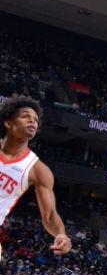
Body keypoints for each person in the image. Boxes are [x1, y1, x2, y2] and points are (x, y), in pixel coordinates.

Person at [0, 96, 71, 261]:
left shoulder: (38, 170)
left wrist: (61, 234)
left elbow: (49, 215)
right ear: (8, 123)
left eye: (35, 119)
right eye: (25, 116)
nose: (32, 121)